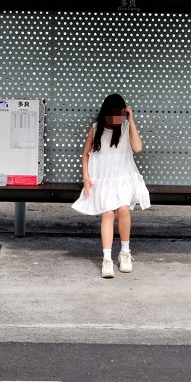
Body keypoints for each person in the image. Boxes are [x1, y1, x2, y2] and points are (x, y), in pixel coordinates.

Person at [71, 93, 151, 278]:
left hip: (124, 178)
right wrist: (86, 177)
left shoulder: (125, 127)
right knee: (108, 212)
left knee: (123, 208)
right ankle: (107, 259)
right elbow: (86, 155)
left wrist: (131, 121)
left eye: (120, 115)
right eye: (113, 115)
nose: (115, 120)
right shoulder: (96, 128)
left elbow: (138, 148)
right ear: (105, 113)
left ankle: (125, 253)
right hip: (103, 180)